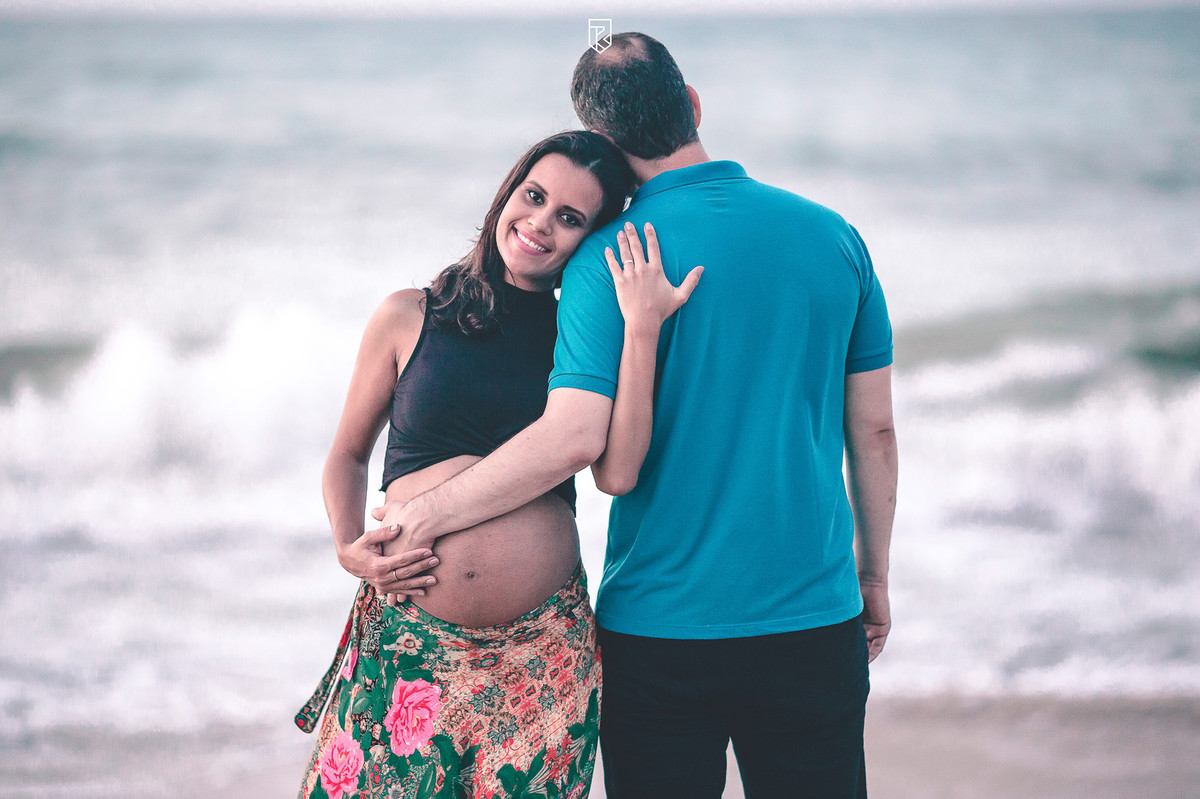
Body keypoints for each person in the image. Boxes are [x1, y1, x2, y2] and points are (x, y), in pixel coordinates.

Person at [375, 32, 898, 799]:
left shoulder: (608, 257)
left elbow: (575, 436)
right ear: (693, 106)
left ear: (604, 143)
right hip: (813, 619)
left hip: (659, 630)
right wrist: (873, 574)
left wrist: (425, 513)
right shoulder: (834, 237)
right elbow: (874, 431)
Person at [294, 130, 701, 799]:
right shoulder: (408, 314)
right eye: (534, 196)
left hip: (543, 659)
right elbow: (347, 453)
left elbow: (619, 472)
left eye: (570, 217)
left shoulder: (584, 340)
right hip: (408, 644)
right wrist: (346, 546)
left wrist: (641, 328)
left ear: (592, 238)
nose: (540, 223)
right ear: (508, 192)